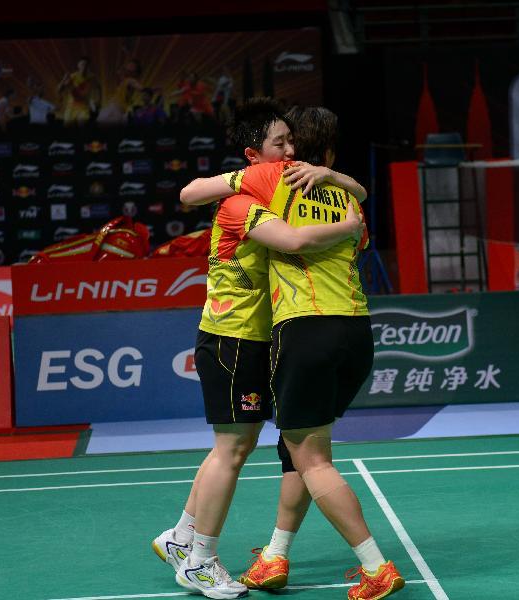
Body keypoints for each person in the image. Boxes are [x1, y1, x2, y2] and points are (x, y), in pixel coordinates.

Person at [151, 98, 366, 600]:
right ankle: (200, 560)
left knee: (236, 447)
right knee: (232, 450)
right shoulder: (241, 201)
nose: (291, 151)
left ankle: (182, 536)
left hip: (256, 337)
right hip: (233, 337)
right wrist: (347, 226)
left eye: (294, 142)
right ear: (254, 154)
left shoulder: (279, 187)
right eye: (281, 144)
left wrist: (335, 180)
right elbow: (291, 241)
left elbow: (349, 191)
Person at [188, 106, 404, 600]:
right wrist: (336, 179)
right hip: (357, 331)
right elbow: (360, 232)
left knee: (313, 460)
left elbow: (192, 193)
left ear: (295, 146)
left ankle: (375, 566)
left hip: (305, 330)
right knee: (299, 448)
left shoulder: (271, 179)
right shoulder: (350, 199)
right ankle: (275, 555)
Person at [58, 56, 100, 124]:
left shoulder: (92, 78)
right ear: (78, 65)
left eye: (86, 65)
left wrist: (97, 102)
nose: (84, 67)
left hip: (84, 107)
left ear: (89, 67)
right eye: (82, 64)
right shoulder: (73, 76)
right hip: (71, 107)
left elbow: (98, 88)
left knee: (83, 122)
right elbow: (59, 90)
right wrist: (63, 80)